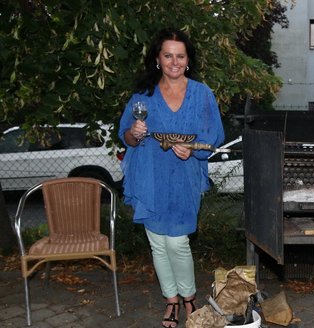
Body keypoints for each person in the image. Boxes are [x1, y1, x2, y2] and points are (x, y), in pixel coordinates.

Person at [118, 28, 225, 328]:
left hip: (185, 177)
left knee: (177, 242)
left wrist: (192, 151)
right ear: (158, 58)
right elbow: (126, 135)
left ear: (188, 60)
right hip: (148, 176)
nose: (174, 62)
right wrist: (134, 134)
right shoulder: (144, 97)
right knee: (158, 244)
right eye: (168, 55)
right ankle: (171, 300)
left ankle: (189, 297)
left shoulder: (202, 93)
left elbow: (214, 136)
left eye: (180, 56)